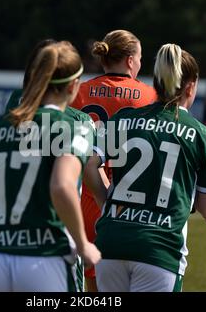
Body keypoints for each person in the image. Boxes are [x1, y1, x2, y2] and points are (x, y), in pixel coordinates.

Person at [0, 41, 101, 291]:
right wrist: (83, 243)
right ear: (72, 85)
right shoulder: (75, 126)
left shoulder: (0, 129)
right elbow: (61, 186)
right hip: (45, 256)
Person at [85, 43, 206, 292]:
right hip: (159, 249)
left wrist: (106, 202)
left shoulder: (123, 120)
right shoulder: (202, 135)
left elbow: (89, 164)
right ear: (191, 86)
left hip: (111, 243)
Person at [70, 29, 157, 291]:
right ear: (130, 60)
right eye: (140, 57)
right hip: (131, 197)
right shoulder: (150, 96)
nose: (141, 63)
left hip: (86, 195)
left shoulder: (80, 92)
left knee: (94, 284)